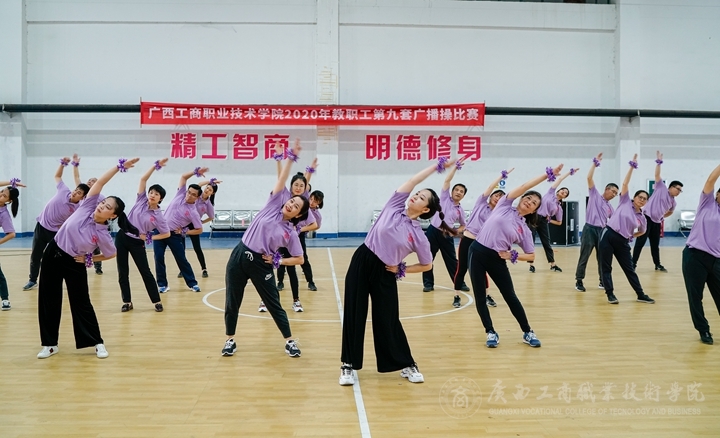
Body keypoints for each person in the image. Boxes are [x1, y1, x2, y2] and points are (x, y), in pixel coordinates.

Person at [339, 159, 455, 387]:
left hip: (386, 272)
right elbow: (413, 181)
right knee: (355, 312)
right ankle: (348, 364)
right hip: (362, 260)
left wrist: (402, 269)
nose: (415, 196)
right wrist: (436, 167)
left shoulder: (419, 236)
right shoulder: (394, 205)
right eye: (417, 194)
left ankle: (405, 363)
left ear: (426, 210)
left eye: (421, 198)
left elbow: (427, 265)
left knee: (388, 319)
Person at [37, 158, 138, 359]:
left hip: (75, 262)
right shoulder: (88, 206)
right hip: (52, 253)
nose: (102, 206)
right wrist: (119, 167)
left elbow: (111, 253)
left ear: (113, 215)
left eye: (107, 207)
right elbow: (100, 182)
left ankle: (97, 342)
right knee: (48, 299)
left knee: (81, 302)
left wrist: (90, 258)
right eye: (103, 203)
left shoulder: (103, 234)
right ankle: (50, 344)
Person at [222, 139, 309, 358]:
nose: (291, 204)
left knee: (273, 303)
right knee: (232, 300)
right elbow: (282, 178)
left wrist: (279, 261)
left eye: (296, 206)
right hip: (239, 255)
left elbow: (299, 259)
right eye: (292, 201)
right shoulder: (273, 205)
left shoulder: (291, 233)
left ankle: (289, 341)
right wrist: (289, 158)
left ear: (298, 214)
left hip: (261, 264)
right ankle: (229, 339)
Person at [468, 165, 562, 349]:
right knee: (480, 296)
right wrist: (547, 175)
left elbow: (531, 255)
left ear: (534, 210)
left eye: (534, 203)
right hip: (477, 252)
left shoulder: (525, 229)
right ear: (521, 198)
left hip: (497, 259)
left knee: (510, 296)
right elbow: (525, 186)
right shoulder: (504, 205)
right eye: (528, 198)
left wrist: (512, 255)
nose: (529, 202)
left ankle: (528, 331)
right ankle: (490, 332)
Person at [23, 157, 89, 291]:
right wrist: (63, 164)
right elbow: (57, 176)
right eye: (76, 190)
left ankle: (56, 279)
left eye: (79, 193)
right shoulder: (63, 190)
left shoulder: (79, 208)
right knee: (36, 255)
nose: (75, 192)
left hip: (55, 233)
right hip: (41, 227)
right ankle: (32, 280)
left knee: (55, 257)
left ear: (82, 197)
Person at [598, 154, 655, 305]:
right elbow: (625, 183)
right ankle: (610, 294)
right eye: (640, 197)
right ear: (634, 197)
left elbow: (642, 231)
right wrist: (632, 167)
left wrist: (631, 235)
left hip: (623, 241)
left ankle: (640, 294)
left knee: (629, 269)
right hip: (608, 235)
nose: (642, 200)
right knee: (606, 266)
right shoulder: (624, 201)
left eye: (645, 199)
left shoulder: (642, 217)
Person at [452, 168, 513, 308]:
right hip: (467, 240)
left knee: (482, 270)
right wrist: (501, 177)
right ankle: (456, 296)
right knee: (462, 268)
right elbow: (490, 187)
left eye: (501, 197)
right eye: (496, 195)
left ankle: (486, 295)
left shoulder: (498, 214)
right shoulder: (481, 203)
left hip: (482, 244)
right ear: (491, 196)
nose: (497, 198)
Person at [116, 159, 171, 312]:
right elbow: (143, 179)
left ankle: (156, 301)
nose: (152, 195)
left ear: (161, 198)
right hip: (122, 237)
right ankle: (127, 301)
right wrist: (155, 166)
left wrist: (149, 238)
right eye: (151, 192)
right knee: (122, 272)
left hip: (137, 243)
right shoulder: (141, 200)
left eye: (156, 194)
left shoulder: (159, 216)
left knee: (145, 272)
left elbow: (166, 233)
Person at [682, 163, 720, 345]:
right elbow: (711, 180)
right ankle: (703, 330)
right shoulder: (707, 204)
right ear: (717, 195)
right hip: (695, 256)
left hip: (717, 261)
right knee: (695, 296)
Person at [153, 167, 207, 293]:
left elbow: (199, 229)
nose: (189, 195)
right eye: (189, 192)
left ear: (197, 197)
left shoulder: (193, 212)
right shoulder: (180, 194)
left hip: (174, 235)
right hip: (160, 231)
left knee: (181, 259)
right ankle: (162, 284)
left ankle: (192, 283)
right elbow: (183, 177)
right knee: (158, 257)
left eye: (193, 195)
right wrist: (195, 172)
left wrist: (185, 232)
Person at [422, 158, 468, 293]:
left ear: (463, 196)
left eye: (461, 191)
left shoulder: (460, 210)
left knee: (452, 261)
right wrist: (455, 168)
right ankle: (428, 284)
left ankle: (459, 283)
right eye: (457, 190)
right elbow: (447, 181)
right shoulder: (444, 198)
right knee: (428, 258)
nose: (458, 192)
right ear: (452, 191)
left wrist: (456, 231)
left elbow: (463, 225)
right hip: (432, 232)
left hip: (446, 235)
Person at [632, 150, 683, 272]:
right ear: (671, 187)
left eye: (680, 191)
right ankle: (632, 264)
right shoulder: (661, 188)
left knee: (655, 245)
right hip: (646, 219)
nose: (679, 192)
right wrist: (659, 162)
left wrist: (662, 216)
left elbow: (670, 212)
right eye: (678, 189)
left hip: (657, 222)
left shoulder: (673, 202)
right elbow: (657, 174)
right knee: (640, 242)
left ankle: (657, 264)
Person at [574, 153, 618, 292]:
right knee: (584, 256)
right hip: (589, 229)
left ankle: (602, 281)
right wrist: (595, 163)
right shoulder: (595, 195)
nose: (614, 195)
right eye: (613, 191)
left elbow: (615, 221)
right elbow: (589, 178)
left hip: (602, 231)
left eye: (616, 194)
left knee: (602, 257)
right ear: (606, 189)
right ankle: (579, 281)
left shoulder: (610, 207)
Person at [527, 169, 578, 273]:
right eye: (563, 190)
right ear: (558, 191)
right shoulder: (550, 193)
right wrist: (570, 172)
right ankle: (531, 264)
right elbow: (560, 179)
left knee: (546, 243)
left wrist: (549, 220)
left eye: (566, 193)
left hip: (543, 221)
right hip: (534, 217)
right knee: (531, 241)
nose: (564, 192)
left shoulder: (559, 208)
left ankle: (553, 264)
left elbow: (559, 222)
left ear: (565, 197)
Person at [178, 179, 219, 279]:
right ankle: (182, 270)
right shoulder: (197, 195)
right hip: (184, 223)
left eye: (210, 190)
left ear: (212, 193)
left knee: (197, 248)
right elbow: (198, 184)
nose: (207, 190)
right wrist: (210, 181)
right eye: (207, 188)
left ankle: (204, 269)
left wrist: (202, 222)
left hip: (194, 225)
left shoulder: (208, 205)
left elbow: (211, 217)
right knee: (181, 248)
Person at [73, 155, 106, 275]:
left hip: (93, 224)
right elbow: (77, 177)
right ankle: (77, 263)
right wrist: (75, 165)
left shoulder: (101, 197)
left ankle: (98, 266)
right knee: (78, 244)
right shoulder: (83, 193)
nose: (90, 182)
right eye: (89, 180)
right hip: (81, 223)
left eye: (93, 181)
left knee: (95, 246)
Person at [0, 179, 24, 310]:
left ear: (9, 201)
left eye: (4, 196)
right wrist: (10, 182)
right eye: (1, 192)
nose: (0, 195)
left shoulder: (4, 214)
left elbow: (11, 234)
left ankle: (5, 299)